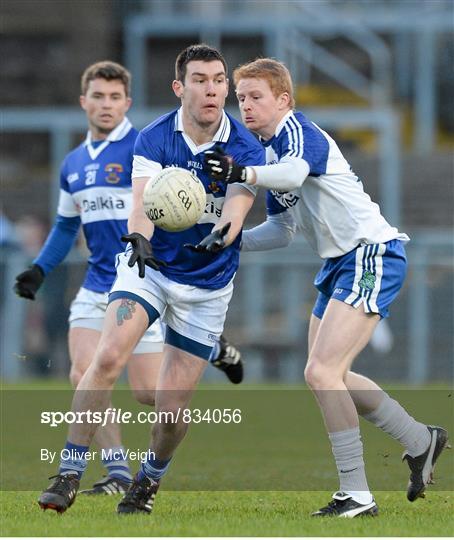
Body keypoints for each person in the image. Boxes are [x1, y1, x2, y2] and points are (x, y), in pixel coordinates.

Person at [203, 58, 449, 518]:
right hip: (340, 263)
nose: (247, 106)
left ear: (284, 100)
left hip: (371, 253)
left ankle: (356, 496)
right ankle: (420, 439)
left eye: (257, 96)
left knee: (322, 373)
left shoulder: (298, 133)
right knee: (325, 374)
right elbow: (282, 230)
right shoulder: (270, 153)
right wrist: (229, 245)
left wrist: (241, 174)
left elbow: (294, 176)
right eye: (242, 99)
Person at [37, 45, 264, 514]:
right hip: (150, 269)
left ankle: (148, 480)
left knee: (169, 409)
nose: (212, 89)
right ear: (180, 88)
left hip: (207, 284)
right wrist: (137, 238)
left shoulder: (244, 146)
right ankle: (69, 471)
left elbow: (239, 208)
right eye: (200, 80)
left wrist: (225, 232)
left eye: (219, 80)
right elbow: (141, 205)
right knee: (106, 358)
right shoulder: (156, 138)